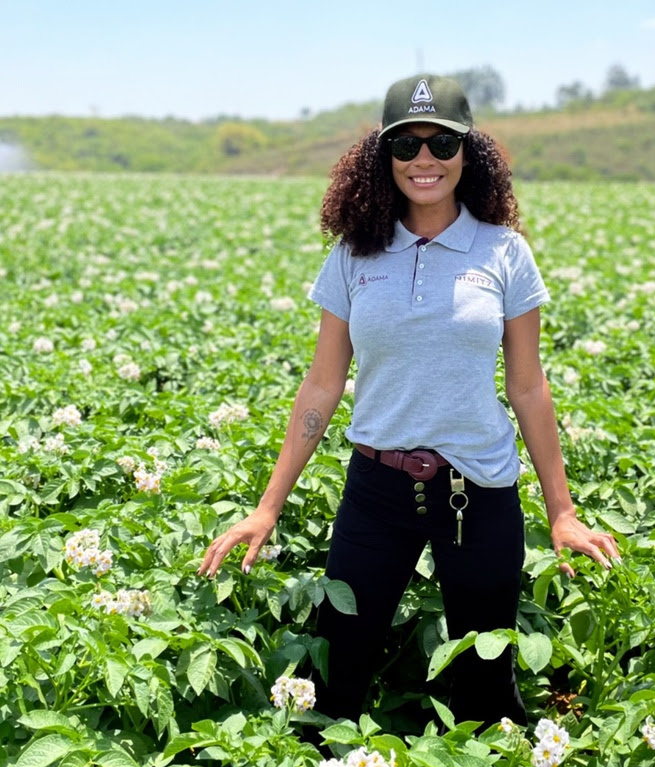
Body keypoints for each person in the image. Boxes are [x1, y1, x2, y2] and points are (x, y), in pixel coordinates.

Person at [197, 74, 620, 728]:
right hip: (376, 487)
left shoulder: (505, 253)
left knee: (486, 689)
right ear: (382, 156)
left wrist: (562, 510)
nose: (424, 160)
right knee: (334, 672)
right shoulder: (354, 255)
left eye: (442, 143)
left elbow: (529, 386)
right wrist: (266, 507)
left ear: (468, 153)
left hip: (478, 490)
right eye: (406, 145)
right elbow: (321, 385)